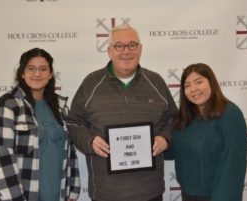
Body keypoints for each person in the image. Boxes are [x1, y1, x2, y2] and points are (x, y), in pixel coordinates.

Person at [67, 24, 178, 201]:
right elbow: (73, 122)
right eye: (119, 46)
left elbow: (174, 118)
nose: (126, 51)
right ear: (110, 51)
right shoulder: (91, 83)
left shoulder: (155, 82)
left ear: (140, 49)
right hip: (106, 193)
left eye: (132, 45)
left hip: (149, 192)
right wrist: (89, 141)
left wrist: (165, 137)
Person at [0, 48, 81, 201]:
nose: (37, 74)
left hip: (57, 194)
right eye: (31, 69)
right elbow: (1, 157)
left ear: (50, 74)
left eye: (43, 69)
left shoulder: (60, 106)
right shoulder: (7, 104)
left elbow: (70, 152)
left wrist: (72, 190)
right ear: (22, 73)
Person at [165, 63, 247, 201]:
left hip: (217, 196)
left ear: (211, 83)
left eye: (199, 82)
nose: (193, 89)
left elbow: (233, 164)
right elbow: (172, 151)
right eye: (187, 85)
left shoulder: (230, 113)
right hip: (188, 195)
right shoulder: (185, 117)